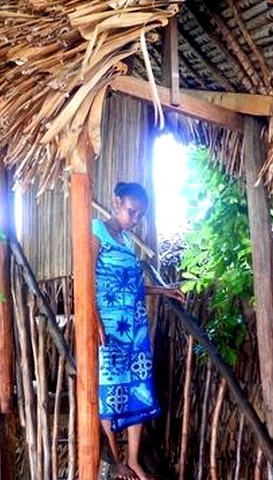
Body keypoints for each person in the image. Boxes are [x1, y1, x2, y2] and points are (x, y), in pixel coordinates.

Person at [92, 182, 183, 480]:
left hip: (135, 326)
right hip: (111, 327)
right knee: (111, 388)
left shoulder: (126, 241)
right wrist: (95, 322)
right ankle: (117, 461)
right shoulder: (97, 231)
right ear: (116, 202)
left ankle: (134, 461)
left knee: (138, 387)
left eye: (140, 215)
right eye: (131, 211)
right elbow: (80, 277)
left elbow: (134, 286)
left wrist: (163, 290)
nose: (135, 218)